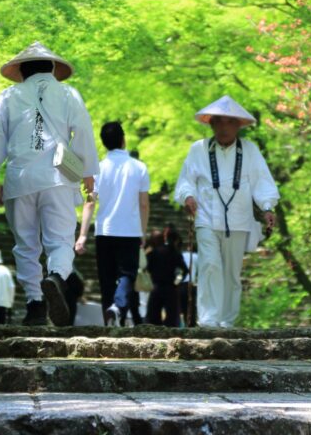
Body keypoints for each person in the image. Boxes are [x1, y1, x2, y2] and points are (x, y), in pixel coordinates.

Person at [0, 42, 99, 327]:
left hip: (20, 178)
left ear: (22, 71)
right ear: (52, 69)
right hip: (59, 178)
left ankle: (34, 304)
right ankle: (56, 276)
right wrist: (88, 175)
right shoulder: (68, 93)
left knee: (26, 245)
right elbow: (83, 132)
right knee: (61, 240)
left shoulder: (8, 96)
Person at [174, 95, 280, 328]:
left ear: (238, 126)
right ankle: (208, 321)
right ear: (211, 124)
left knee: (232, 273)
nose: (224, 127)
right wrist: (188, 196)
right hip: (206, 217)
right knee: (209, 265)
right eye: (219, 122)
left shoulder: (250, 150)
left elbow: (262, 181)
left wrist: (267, 207)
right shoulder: (198, 149)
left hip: (238, 219)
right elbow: (186, 181)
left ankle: (227, 321)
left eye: (229, 122)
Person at [75, 122, 150, 327]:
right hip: (130, 231)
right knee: (127, 274)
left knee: (106, 278)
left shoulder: (98, 168)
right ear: (123, 139)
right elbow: (144, 204)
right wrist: (142, 232)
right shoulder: (139, 167)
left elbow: (90, 202)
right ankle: (118, 308)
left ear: (104, 142)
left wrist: (82, 235)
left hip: (104, 231)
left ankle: (110, 320)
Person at [145, 226, 188, 327]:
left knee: (153, 318)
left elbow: (148, 267)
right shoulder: (175, 253)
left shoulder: (155, 252)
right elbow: (185, 270)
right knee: (172, 319)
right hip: (171, 287)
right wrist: (177, 281)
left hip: (156, 286)